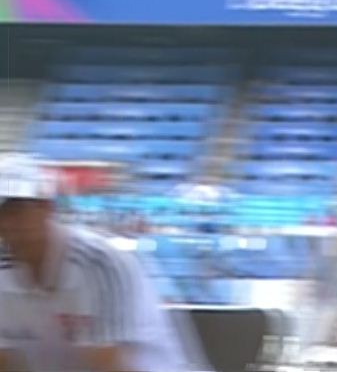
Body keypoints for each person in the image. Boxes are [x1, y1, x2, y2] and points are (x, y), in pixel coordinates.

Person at [0, 155, 206, 372]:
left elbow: (108, 365)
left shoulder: (100, 264)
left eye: (17, 210)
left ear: (47, 208)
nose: (7, 222)